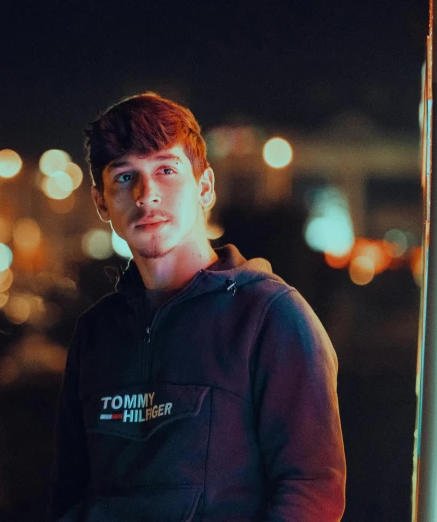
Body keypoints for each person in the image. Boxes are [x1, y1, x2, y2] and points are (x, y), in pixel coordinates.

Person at [48, 93, 345, 521]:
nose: (147, 194)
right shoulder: (96, 333)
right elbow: (69, 493)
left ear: (204, 187)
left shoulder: (271, 316)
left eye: (166, 170)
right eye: (126, 177)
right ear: (101, 202)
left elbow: (312, 488)